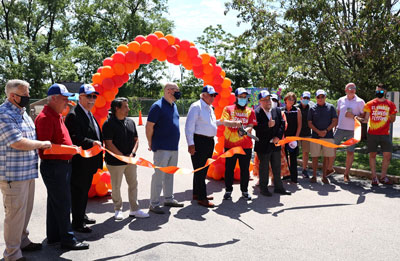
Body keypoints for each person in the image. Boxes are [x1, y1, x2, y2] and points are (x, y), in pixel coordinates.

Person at [0, 80, 51, 261]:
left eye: (28, 93)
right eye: (25, 94)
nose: (28, 97)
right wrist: (42, 144)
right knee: (14, 215)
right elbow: (16, 142)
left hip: (27, 172)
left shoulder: (23, 114)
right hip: (13, 175)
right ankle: (12, 254)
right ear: (13, 96)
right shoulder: (3, 114)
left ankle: (22, 240)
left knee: (24, 211)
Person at [35, 83, 89, 250]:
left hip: (60, 165)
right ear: (54, 99)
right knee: (63, 203)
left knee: (55, 203)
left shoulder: (56, 114)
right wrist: (71, 149)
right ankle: (68, 239)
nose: (67, 102)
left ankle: (54, 236)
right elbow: (46, 147)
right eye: (64, 99)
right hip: (54, 166)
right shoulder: (45, 118)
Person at [102, 97, 149, 219]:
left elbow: (136, 140)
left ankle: (135, 209)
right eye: (125, 106)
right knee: (116, 186)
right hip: (115, 162)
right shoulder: (108, 124)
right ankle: (118, 209)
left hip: (130, 160)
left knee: (133, 184)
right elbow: (108, 143)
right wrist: (122, 157)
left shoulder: (131, 122)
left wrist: (132, 153)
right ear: (117, 108)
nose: (128, 109)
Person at [65, 84, 103, 233]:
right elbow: (75, 138)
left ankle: (81, 215)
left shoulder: (87, 113)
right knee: (79, 192)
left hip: (89, 161)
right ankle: (77, 223)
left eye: (94, 96)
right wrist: (92, 142)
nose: (92, 99)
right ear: (80, 97)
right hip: (81, 162)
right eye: (88, 96)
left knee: (83, 191)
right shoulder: (74, 115)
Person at [146, 82, 184, 214]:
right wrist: (150, 142)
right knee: (159, 176)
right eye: (176, 90)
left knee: (169, 175)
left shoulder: (174, 106)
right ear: (168, 91)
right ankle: (154, 203)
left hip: (173, 147)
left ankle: (168, 198)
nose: (178, 92)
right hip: (162, 148)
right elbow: (149, 126)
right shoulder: (157, 106)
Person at [185, 85, 222, 208]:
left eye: (214, 95)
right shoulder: (197, 106)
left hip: (209, 141)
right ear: (203, 95)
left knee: (202, 169)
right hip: (199, 141)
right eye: (210, 95)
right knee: (200, 170)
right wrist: (191, 143)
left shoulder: (210, 108)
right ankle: (202, 197)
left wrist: (224, 122)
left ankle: (197, 193)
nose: (213, 97)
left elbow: (212, 123)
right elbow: (189, 126)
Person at [221, 87, 257, 200]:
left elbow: (251, 125)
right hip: (230, 145)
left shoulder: (250, 111)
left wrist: (246, 130)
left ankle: (245, 191)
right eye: (241, 97)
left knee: (244, 169)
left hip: (245, 146)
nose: (243, 99)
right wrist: (234, 123)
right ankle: (228, 190)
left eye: (244, 97)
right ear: (236, 97)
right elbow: (224, 121)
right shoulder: (228, 109)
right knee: (229, 169)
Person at [254, 90, 291, 196]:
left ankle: (279, 188)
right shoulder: (256, 112)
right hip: (263, 145)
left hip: (275, 144)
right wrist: (267, 125)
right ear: (260, 101)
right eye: (264, 100)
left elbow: (282, 124)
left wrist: (278, 137)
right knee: (264, 168)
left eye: (268, 99)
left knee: (277, 166)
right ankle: (263, 188)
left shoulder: (276, 110)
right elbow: (256, 128)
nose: (268, 102)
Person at [362, 83, 397, 186]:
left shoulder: (390, 104)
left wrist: (392, 115)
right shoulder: (370, 104)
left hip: (385, 134)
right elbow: (366, 119)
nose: (378, 92)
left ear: (385, 92)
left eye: (380, 91)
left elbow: (393, 120)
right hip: (372, 134)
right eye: (377, 91)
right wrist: (356, 118)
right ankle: (374, 177)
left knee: (387, 155)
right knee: (372, 155)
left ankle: (383, 177)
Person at [333, 83, 365, 182]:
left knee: (350, 152)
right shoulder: (340, 100)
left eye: (354, 88)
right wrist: (335, 127)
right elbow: (338, 115)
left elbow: (363, 117)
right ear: (345, 90)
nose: (352, 89)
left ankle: (346, 174)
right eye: (350, 88)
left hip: (352, 131)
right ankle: (329, 168)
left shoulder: (360, 102)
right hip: (340, 129)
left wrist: (353, 115)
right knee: (331, 148)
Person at [307, 89, 338, 184]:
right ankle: (314, 176)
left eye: (322, 96)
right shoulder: (312, 109)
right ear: (316, 98)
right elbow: (309, 123)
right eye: (318, 97)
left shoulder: (331, 107)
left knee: (326, 157)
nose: (320, 98)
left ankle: (324, 176)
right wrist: (317, 131)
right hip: (315, 136)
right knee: (315, 156)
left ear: (325, 97)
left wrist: (326, 130)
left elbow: (335, 121)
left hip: (328, 135)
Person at [282, 92, 302, 183]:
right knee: (284, 158)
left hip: (293, 137)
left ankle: (294, 178)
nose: (291, 101)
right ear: (285, 100)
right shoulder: (281, 110)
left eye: (293, 99)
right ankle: (286, 175)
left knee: (293, 158)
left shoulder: (297, 110)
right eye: (289, 99)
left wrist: (296, 138)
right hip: (284, 138)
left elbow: (299, 125)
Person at [296, 91, 312, 178]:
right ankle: (291, 170)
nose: (305, 100)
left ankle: (304, 169)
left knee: (305, 152)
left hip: (307, 134)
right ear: (301, 98)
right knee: (294, 152)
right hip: (296, 134)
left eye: (307, 98)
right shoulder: (296, 108)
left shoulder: (311, 109)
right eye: (304, 98)